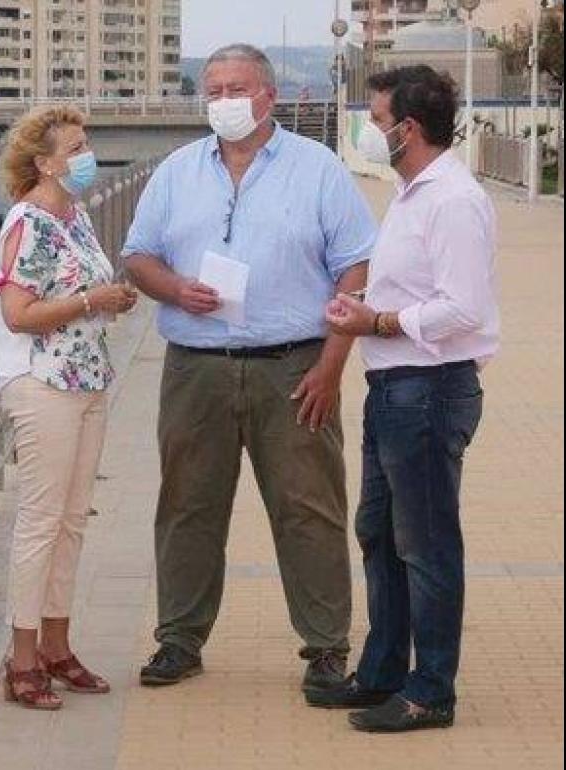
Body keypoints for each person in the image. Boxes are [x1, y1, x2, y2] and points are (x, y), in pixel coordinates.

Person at [121, 43, 379, 694]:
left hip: (293, 367)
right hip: (196, 369)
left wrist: (331, 366)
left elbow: (356, 265)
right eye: (213, 90)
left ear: (268, 95)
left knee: (308, 508)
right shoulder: (177, 171)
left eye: (237, 88)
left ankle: (326, 649)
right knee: (186, 506)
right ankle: (178, 640)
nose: (225, 101)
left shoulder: (317, 168)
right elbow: (138, 257)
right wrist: (174, 288)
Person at [310, 65, 499, 733]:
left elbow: (463, 308)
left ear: (408, 129)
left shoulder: (451, 200)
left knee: (426, 544)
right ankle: (384, 670)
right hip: (394, 384)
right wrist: (365, 306)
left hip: (428, 387)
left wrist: (378, 323)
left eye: (377, 117)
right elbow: (417, 290)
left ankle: (430, 691)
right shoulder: (412, 192)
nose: (370, 128)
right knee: (380, 534)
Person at [0, 104, 139, 710]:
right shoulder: (26, 222)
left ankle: (57, 645)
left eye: (86, 143)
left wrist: (108, 301)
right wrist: (88, 301)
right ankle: (21, 659)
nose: (85, 156)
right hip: (42, 383)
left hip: (86, 379)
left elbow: (81, 293)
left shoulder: (74, 216)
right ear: (44, 162)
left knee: (73, 519)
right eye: (75, 148)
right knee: (41, 519)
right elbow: (18, 314)